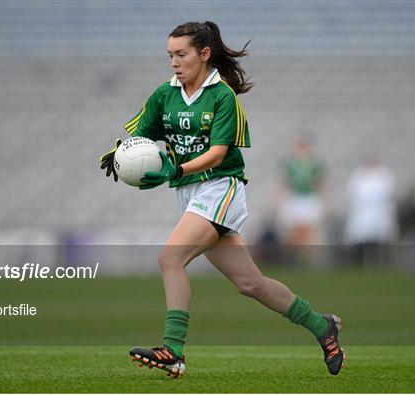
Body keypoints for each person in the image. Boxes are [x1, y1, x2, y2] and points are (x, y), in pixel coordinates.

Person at [99, 21, 344, 378]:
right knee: (250, 284)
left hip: (220, 187)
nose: (174, 62)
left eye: (181, 54)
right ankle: (323, 327)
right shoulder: (164, 95)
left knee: (170, 258)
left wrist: (176, 171)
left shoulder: (221, 96)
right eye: (170, 55)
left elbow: (217, 154)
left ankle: (174, 350)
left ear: (204, 54)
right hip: (190, 195)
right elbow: (139, 137)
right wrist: (119, 152)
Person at [276, 136, 326, 264]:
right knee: (294, 231)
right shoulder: (290, 164)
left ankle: (307, 260)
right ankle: (294, 259)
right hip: (295, 197)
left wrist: (323, 200)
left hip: (309, 197)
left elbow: (319, 183)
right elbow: (285, 183)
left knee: (308, 231)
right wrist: (281, 199)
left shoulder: (315, 165)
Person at [344, 155, 397, 267]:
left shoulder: (383, 175)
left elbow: (388, 193)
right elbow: (352, 194)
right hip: (363, 212)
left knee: (379, 237)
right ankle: (361, 261)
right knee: (362, 237)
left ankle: (381, 261)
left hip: (379, 212)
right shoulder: (358, 175)